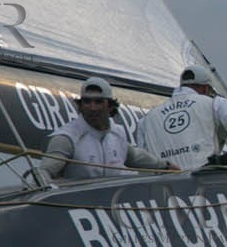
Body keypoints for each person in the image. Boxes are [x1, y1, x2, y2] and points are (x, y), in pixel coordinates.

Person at [139, 64, 227, 171]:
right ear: (205, 88)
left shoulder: (147, 119)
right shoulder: (214, 104)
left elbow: (142, 164)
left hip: (164, 191)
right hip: (203, 186)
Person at [40, 77, 172, 180]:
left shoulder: (117, 133)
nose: (92, 108)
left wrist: (166, 166)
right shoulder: (66, 138)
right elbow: (44, 172)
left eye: (98, 102)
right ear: (80, 106)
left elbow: (134, 156)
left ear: (110, 106)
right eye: (87, 102)